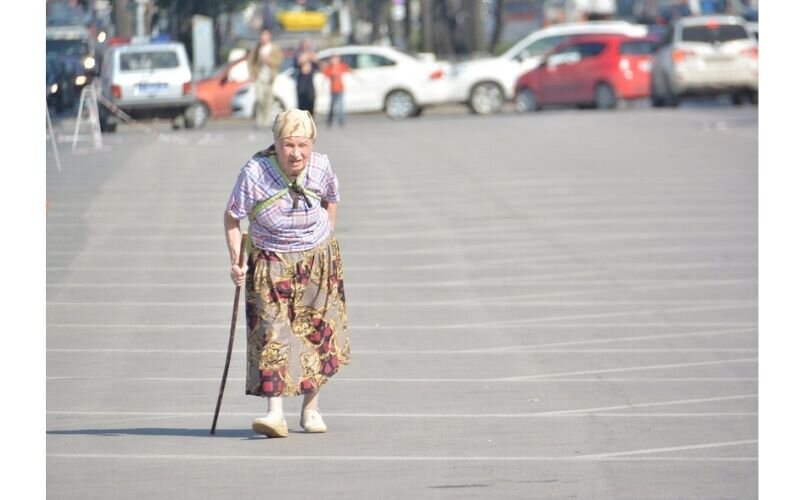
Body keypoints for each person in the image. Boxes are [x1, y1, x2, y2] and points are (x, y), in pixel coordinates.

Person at [224, 109, 351, 438]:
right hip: (271, 260)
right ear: (276, 144)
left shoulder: (321, 165)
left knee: (317, 333)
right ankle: (274, 414)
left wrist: (325, 238)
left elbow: (332, 200)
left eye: (303, 145)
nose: (296, 153)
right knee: (272, 333)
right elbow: (232, 218)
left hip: (317, 260)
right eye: (288, 145)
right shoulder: (255, 173)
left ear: (312, 143)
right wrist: (236, 263)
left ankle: (311, 409)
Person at [249, 29, 284, 129]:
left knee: (268, 100)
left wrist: (270, 61)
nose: (263, 38)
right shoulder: (257, 48)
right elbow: (251, 61)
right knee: (259, 98)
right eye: (262, 36)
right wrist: (252, 73)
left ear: (269, 37)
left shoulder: (274, 48)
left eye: (266, 36)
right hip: (259, 76)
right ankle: (259, 121)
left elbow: (279, 61)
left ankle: (266, 121)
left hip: (270, 77)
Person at [321, 54, 351, 128]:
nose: (334, 60)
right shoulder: (330, 68)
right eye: (333, 59)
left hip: (340, 89)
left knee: (341, 106)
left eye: (336, 59)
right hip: (333, 89)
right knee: (332, 106)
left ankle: (341, 121)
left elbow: (349, 70)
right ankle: (329, 120)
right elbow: (325, 75)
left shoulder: (341, 66)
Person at [294, 38, 319, 116]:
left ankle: (311, 117)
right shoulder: (298, 55)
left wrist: (314, 59)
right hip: (301, 81)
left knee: (311, 99)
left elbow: (317, 66)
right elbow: (296, 65)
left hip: (309, 80)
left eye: (307, 45)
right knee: (302, 102)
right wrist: (302, 60)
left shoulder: (312, 54)